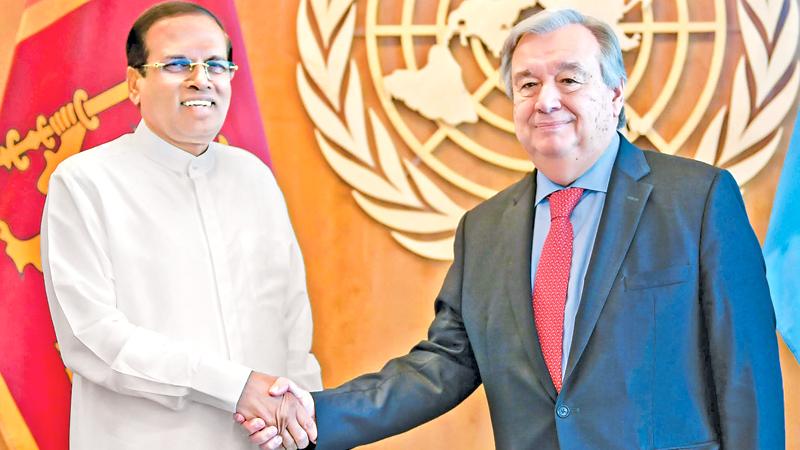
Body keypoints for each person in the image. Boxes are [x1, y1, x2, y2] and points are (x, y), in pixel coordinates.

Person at [241, 8, 785, 450]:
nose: (546, 99)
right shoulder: (485, 230)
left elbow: (747, 378)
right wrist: (316, 414)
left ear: (615, 92)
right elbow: (442, 366)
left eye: (569, 78)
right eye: (527, 84)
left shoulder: (698, 199)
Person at [41, 2, 318, 449]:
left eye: (215, 64)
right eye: (176, 64)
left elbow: (292, 320)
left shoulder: (254, 177)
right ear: (134, 83)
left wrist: (302, 416)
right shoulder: (85, 182)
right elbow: (91, 337)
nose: (200, 79)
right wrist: (235, 386)